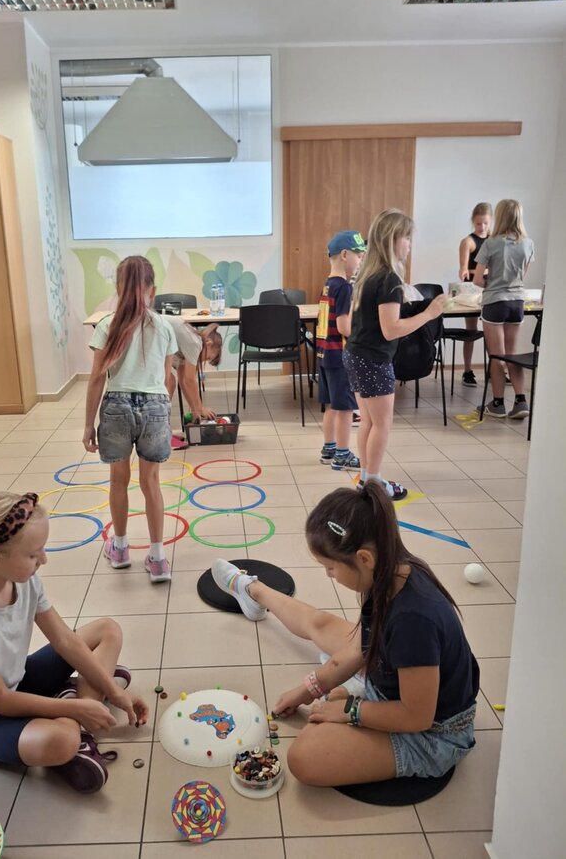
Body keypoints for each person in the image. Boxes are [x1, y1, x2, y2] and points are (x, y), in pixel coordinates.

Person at [211, 482, 479, 787]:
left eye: (330, 568)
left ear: (364, 559)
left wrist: (351, 710)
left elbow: (416, 717)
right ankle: (253, 590)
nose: (328, 575)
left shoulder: (413, 620)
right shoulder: (389, 571)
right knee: (322, 626)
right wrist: (308, 690)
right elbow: (358, 649)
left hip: (433, 733)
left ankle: (358, 698)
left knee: (305, 757)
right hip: (393, 685)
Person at [0, 492, 149, 794]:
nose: (43, 559)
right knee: (62, 740)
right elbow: (1, 700)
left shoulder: (24, 580)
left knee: (108, 630)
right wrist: (75, 708)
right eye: (33, 555)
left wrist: (113, 691)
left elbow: (66, 641)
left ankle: (78, 706)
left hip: (15, 681)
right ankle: (76, 711)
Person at [84, 255, 178, 582]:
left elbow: (97, 378)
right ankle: (158, 558)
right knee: (151, 482)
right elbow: (166, 379)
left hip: (116, 406)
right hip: (155, 406)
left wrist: (88, 424)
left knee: (118, 480)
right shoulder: (164, 326)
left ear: (117, 288)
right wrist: (161, 414)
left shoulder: (106, 325)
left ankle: (121, 548)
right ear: (153, 290)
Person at [343, 209, 446, 501]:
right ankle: (374, 484)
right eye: (407, 238)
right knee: (381, 424)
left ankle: (367, 479)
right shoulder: (388, 278)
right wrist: (429, 313)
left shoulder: (368, 274)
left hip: (357, 354)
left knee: (368, 421)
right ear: (392, 239)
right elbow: (391, 330)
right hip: (373, 359)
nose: (410, 245)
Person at [473, 198, 534, 420]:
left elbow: (477, 280)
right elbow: (522, 275)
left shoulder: (491, 243)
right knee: (512, 354)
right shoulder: (528, 243)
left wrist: (492, 282)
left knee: (497, 356)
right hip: (517, 302)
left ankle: (497, 404)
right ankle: (520, 401)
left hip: (495, 302)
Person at [317, 230, 366, 471]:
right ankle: (343, 454)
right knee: (346, 408)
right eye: (359, 256)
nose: (361, 261)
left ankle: (329, 448)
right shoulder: (344, 287)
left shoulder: (328, 285)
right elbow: (344, 327)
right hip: (339, 356)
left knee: (332, 405)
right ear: (345, 255)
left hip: (324, 355)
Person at [457, 202, 493, 387]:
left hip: (491, 288)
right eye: (478, 223)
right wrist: (475, 272)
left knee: (492, 332)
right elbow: (464, 269)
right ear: (473, 222)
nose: (482, 227)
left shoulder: (494, 241)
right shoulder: (468, 242)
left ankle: (495, 370)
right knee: (470, 331)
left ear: (490, 221)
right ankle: (467, 370)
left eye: (485, 223)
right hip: (472, 289)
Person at [165, 317, 223, 421]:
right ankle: (161, 424)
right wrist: (200, 408)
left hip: (151, 336)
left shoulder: (188, 347)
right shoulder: (195, 343)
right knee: (170, 382)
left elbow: (183, 381)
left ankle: (162, 423)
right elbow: (190, 379)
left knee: (170, 381)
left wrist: (194, 409)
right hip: (146, 332)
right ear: (208, 343)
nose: (204, 361)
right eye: (208, 358)